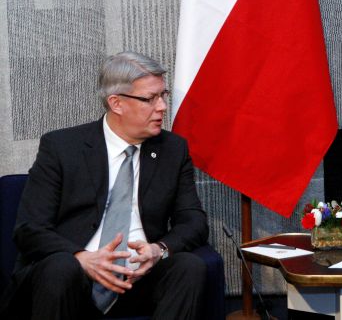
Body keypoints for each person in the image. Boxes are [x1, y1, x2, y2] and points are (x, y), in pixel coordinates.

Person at [0, 51, 209, 319]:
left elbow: (193, 221)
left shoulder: (173, 149)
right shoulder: (62, 147)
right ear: (116, 103)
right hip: (73, 279)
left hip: (137, 278)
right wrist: (81, 257)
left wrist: (159, 250)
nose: (162, 107)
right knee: (61, 268)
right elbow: (29, 228)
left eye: (163, 95)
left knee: (189, 266)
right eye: (150, 99)